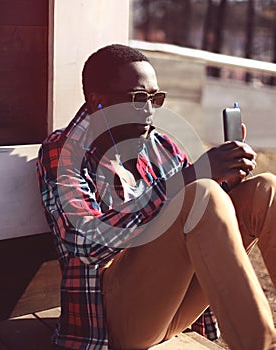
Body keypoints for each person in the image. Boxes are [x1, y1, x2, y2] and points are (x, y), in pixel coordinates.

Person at [36, 43, 276, 350]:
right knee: (200, 192)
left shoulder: (160, 145)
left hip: (172, 308)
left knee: (264, 190)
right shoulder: (64, 150)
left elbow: (196, 216)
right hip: (112, 321)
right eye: (137, 98)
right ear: (97, 101)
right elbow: (85, 244)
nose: (149, 109)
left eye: (155, 98)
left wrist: (227, 178)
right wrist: (190, 178)